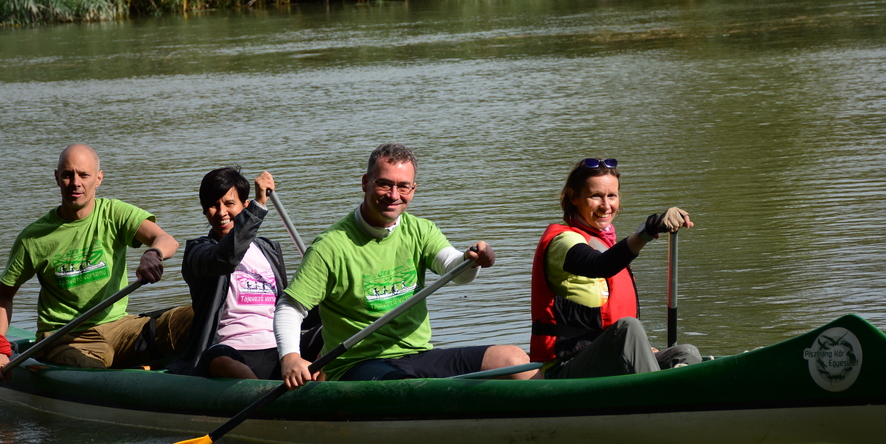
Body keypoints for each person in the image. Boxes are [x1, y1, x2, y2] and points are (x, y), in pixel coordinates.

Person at [275, 142, 534, 387]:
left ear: (414, 189)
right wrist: (290, 357)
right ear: (365, 183)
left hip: (419, 355)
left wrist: (470, 260)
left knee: (515, 361)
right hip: (357, 365)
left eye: (403, 186)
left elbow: (454, 270)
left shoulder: (420, 230)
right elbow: (290, 307)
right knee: (408, 388)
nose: (394, 195)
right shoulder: (330, 246)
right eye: (385, 184)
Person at [0, 144, 192, 384]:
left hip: (121, 327)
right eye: (67, 174)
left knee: (199, 315)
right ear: (57, 178)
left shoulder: (114, 213)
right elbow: (3, 297)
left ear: (98, 179)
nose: (75, 182)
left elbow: (167, 240)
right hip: (65, 338)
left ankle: (220, 369)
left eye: (84, 174)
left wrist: (153, 254)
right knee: (93, 375)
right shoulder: (34, 238)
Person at [530, 157, 700, 379]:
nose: (606, 205)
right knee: (627, 328)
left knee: (686, 353)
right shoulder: (562, 241)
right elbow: (599, 265)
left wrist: (641, 349)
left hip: (607, 358)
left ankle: (686, 395)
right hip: (567, 367)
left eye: (612, 196)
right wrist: (648, 230)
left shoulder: (602, 242)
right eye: (595, 196)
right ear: (573, 197)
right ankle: (659, 397)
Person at [170, 167, 288, 380]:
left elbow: (288, 302)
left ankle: (322, 400)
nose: (222, 212)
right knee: (219, 360)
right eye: (213, 206)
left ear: (244, 205)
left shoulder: (268, 250)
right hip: (230, 349)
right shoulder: (199, 252)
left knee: (328, 339)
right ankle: (261, 402)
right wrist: (259, 206)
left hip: (280, 347)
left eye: (229, 204)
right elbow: (227, 257)